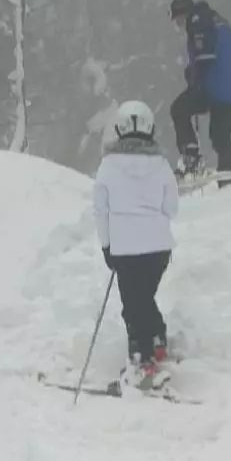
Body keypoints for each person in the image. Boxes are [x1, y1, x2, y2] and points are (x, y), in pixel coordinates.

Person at [94, 100, 179, 381]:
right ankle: (156, 339)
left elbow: (101, 211)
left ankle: (141, 357)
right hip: (158, 249)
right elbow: (172, 209)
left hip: (125, 249)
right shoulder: (163, 166)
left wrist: (106, 245)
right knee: (143, 297)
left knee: (134, 302)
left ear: (118, 128)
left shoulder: (107, 167)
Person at [169, 0, 231, 188]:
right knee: (220, 136)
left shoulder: (198, 20)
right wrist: (192, 70)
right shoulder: (214, 19)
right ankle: (226, 179)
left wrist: (194, 77)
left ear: (183, 13)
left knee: (179, 109)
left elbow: (205, 56)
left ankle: (191, 159)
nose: (179, 26)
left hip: (215, 87)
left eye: (178, 21)